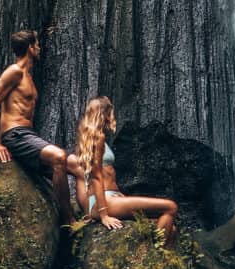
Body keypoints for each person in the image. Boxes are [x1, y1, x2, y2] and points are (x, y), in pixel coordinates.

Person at [0, 29, 88, 221]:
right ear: (30, 48)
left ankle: (90, 214)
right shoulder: (14, 72)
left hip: (29, 136)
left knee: (77, 166)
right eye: (37, 44)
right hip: (15, 135)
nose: (39, 48)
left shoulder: (28, 77)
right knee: (59, 157)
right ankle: (69, 222)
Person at [76, 96, 178, 246]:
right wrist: (103, 215)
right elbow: (96, 178)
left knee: (171, 228)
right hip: (105, 201)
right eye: (111, 111)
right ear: (104, 113)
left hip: (108, 198)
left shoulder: (87, 138)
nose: (113, 115)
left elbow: (85, 179)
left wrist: (89, 209)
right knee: (170, 207)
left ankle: (163, 257)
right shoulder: (99, 139)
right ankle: (157, 255)